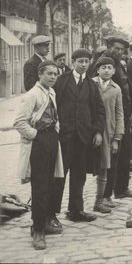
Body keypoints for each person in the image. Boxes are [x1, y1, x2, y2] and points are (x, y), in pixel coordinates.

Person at [48, 49, 106, 228]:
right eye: (80, 61)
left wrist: (97, 132)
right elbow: (51, 104)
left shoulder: (91, 85)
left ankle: (76, 210)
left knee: (79, 175)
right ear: (73, 62)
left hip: (83, 137)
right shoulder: (62, 81)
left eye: (86, 61)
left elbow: (99, 110)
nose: (83, 64)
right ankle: (51, 214)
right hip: (64, 138)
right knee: (59, 175)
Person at [13, 60, 64, 250]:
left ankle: (45, 223)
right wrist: (36, 136)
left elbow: (54, 116)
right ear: (39, 74)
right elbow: (19, 122)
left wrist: (55, 131)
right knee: (40, 187)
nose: (53, 77)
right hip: (39, 143)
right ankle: (38, 229)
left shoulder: (51, 92)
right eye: (49, 74)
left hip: (51, 140)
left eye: (55, 74)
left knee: (51, 184)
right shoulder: (32, 95)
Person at [104, 35, 132, 199]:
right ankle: (106, 193)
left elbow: (126, 90)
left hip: (124, 115)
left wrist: (130, 112)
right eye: (116, 49)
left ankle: (122, 189)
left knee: (126, 153)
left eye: (121, 49)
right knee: (112, 156)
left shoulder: (120, 65)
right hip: (111, 118)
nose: (119, 52)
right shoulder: (103, 65)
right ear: (109, 47)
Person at [92, 56, 124, 212]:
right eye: (103, 67)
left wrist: (117, 137)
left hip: (108, 132)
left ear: (114, 71)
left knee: (105, 165)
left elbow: (119, 114)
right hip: (91, 130)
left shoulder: (116, 89)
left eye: (109, 68)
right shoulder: (91, 84)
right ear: (97, 70)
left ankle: (100, 200)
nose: (106, 70)